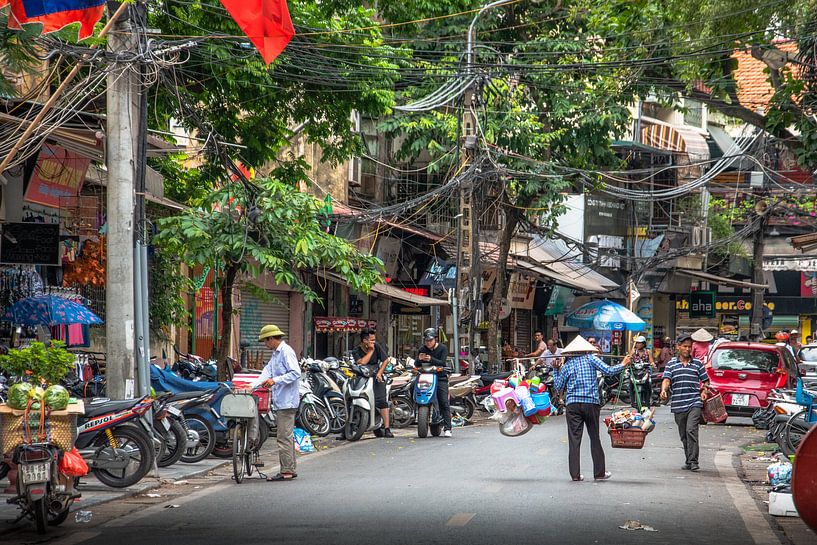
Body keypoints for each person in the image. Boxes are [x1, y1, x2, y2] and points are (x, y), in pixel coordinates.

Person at [553, 335, 632, 482]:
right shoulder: (591, 358)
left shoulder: (568, 366)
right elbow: (609, 371)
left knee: (574, 440)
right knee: (594, 437)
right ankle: (599, 473)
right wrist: (623, 364)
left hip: (573, 405)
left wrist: (556, 370)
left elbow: (558, 387)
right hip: (591, 403)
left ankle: (575, 475)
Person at [254, 324, 301, 481]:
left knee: (283, 437)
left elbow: (295, 373)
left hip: (287, 401)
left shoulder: (286, 352)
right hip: (281, 400)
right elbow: (266, 373)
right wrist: (252, 386)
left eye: (266, 342)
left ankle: (287, 471)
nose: (266, 345)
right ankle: (289, 468)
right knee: (286, 436)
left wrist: (275, 380)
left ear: (272, 338)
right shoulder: (275, 355)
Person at [660, 334, 711, 472]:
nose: (688, 349)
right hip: (678, 404)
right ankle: (688, 460)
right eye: (685, 346)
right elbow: (666, 379)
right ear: (678, 347)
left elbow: (706, 380)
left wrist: (704, 391)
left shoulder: (698, 364)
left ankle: (694, 461)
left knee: (691, 430)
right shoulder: (671, 364)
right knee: (683, 434)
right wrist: (664, 390)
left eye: (690, 347)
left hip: (694, 402)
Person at [352, 328, 393, 438]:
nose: (373, 342)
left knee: (381, 401)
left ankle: (387, 428)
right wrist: (370, 351)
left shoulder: (377, 347)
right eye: (371, 340)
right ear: (364, 341)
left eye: (374, 340)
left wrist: (380, 373)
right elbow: (362, 362)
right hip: (362, 376)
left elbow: (385, 360)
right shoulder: (356, 351)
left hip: (375, 374)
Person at [416, 327, 453, 437]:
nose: (428, 343)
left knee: (443, 402)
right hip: (425, 377)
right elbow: (416, 364)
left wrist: (430, 359)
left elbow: (442, 363)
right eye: (426, 341)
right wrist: (420, 359)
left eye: (430, 340)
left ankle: (448, 428)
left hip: (440, 378)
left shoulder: (442, 348)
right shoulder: (422, 349)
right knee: (413, 387)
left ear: (435, 339)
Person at [629, 335, 656, 409]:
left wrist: (653, 364)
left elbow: (651, 361)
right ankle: (632, 400)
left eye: (640, 343)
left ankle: (650, 399)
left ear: (644, 344)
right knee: (630, 384)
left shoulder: (648, 352)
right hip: (635, 372)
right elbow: (629, 359)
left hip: (644, 372)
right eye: (637, 343)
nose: (638, 344)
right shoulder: (633, 351)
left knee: (649, 383)